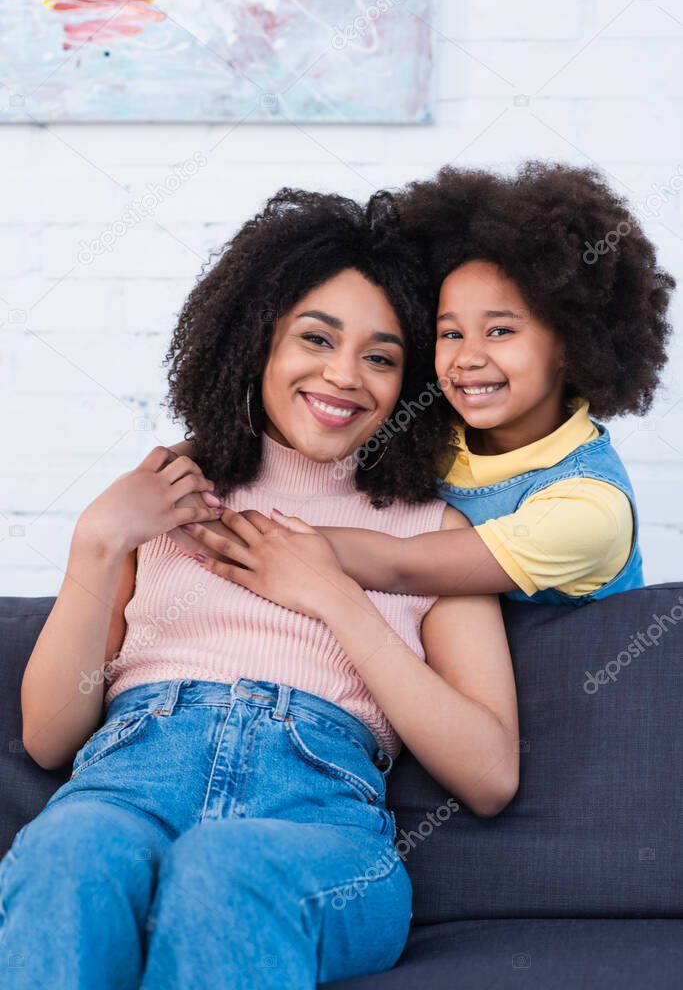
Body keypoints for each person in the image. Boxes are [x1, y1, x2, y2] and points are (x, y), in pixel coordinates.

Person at [2, 188, 519, 990]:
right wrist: (99, 543)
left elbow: (489, 775)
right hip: (131, 779)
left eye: (380, 357)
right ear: (255, 343)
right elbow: (47, 739)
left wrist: (334, 594)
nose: (344, 376)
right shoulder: (165, 499)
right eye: (315, 338)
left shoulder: (434, 536)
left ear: (411, 380)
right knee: (69, 850)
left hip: (314, 827)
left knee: (223, 864)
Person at [249, 163, 673, 607]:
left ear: (573, 343)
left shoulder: (588, 508)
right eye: (451, 334)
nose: (468, 358)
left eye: (500, 332)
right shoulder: (433, 423)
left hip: (557, 674)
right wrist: (182, 463)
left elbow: (402, 564)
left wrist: (247, 532)